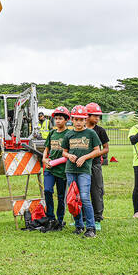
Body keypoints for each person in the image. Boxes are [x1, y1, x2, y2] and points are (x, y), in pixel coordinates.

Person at [61, 105, 103, 238]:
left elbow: (97, 150)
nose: (78, 122)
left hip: (84, 170)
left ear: (85, 120)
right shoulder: (69, 134)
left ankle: (90, 227)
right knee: (73, 199)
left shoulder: (91, 134)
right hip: (70, 170)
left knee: (84, 197)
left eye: (81, 119)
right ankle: (79, 225)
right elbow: (64, 152)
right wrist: (69, 156)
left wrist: (85, 157)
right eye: (76, 119)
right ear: (72, 120)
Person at [41, 106, 71, 231]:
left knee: (60, 195)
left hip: (62, 169)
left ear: (66, 120)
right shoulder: (52, 133)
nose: (58, 121)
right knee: (47, 190)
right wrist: (44, 159)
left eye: (60, 119)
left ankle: (59, 220)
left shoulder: (69, 134)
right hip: (49, 168)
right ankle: (50, 218)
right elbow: (47, 149)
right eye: (56, 119)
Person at [85, 102, 109, 231]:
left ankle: (97, 218)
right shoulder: (81, 129)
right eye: (95, 116)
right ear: (87, 116)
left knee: (96, 191)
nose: (98, 118)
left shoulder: (100, 130)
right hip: (81, 165)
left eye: (99, 116)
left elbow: (106, 149)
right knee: (82, 192)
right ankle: (83, 218)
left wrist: (93, 154)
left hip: (95, 164)